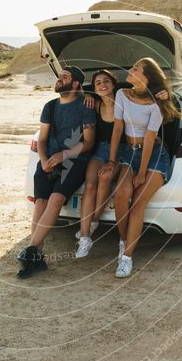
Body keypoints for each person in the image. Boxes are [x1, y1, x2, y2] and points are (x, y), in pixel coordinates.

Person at [98, 58, 182, 277]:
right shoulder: (121, 95)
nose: (130, 70)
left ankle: (126, 258)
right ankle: (125, 241)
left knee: (137, 204)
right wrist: (112, 160)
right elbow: (117, 130)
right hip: (128, 153)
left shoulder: (156, 104)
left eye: (135, 69)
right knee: (120, 195)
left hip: (153, 156)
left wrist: (142, 172)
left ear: (146, 78)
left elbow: (149, 138)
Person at [17, 65, 96, 278]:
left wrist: (64, 155)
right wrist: (43, 160)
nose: (60, 79)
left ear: (76, 83)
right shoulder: (50, 106)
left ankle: (30, 251)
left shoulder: (85, 106)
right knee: (40, 202)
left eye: (65, 76)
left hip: (74, 160)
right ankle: (36, 255)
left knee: (55, 200)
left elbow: (88, 143)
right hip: (48, 160)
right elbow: (41, 139)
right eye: (59, 76)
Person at [74, 70, 123, 258]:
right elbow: (79, 91)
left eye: (106, 81)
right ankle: (85, 238)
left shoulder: (123, 102)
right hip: (101, 149)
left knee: (105, 178)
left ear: (113, 83)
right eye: (98, 83)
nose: (102, 85)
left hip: (121, 151)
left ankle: (94, 220)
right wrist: (87, 93)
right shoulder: (95, 104)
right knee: (90, 184)